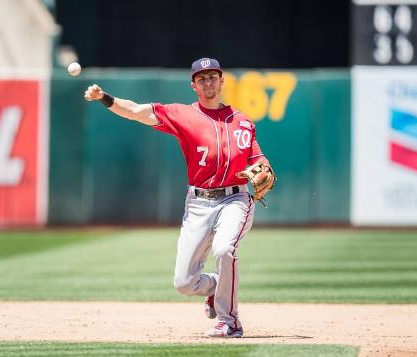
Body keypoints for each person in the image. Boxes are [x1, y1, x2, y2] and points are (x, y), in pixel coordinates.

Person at [84, 57, 274, 338]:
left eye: (213, 77)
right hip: (198, 202)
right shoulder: (181, 114)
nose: (208, 83)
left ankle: (229, 321)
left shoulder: (242, 121)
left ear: (222, 81)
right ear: (193, 85)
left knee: (224, 250)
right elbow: (136, 111)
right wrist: (105, 98)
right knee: (184, 283)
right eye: (202, 79)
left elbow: (258, 159)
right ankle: (216, 287)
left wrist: (266, 169)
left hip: (235, 199)